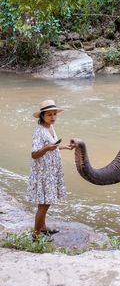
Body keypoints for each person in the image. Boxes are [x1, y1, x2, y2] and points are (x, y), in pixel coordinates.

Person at [27, 99, 73, 240]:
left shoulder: (50, 127)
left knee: (46, 203)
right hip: (43, 173)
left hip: (51, 172)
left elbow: (52, 145)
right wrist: (47, 148)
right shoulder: (39, 131)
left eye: (54, 114)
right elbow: (34, 154)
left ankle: (43, 228)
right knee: (44, 205)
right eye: (49, 115)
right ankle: (35, 237)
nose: (53, 117)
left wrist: (63, 146)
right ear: (42, 116)